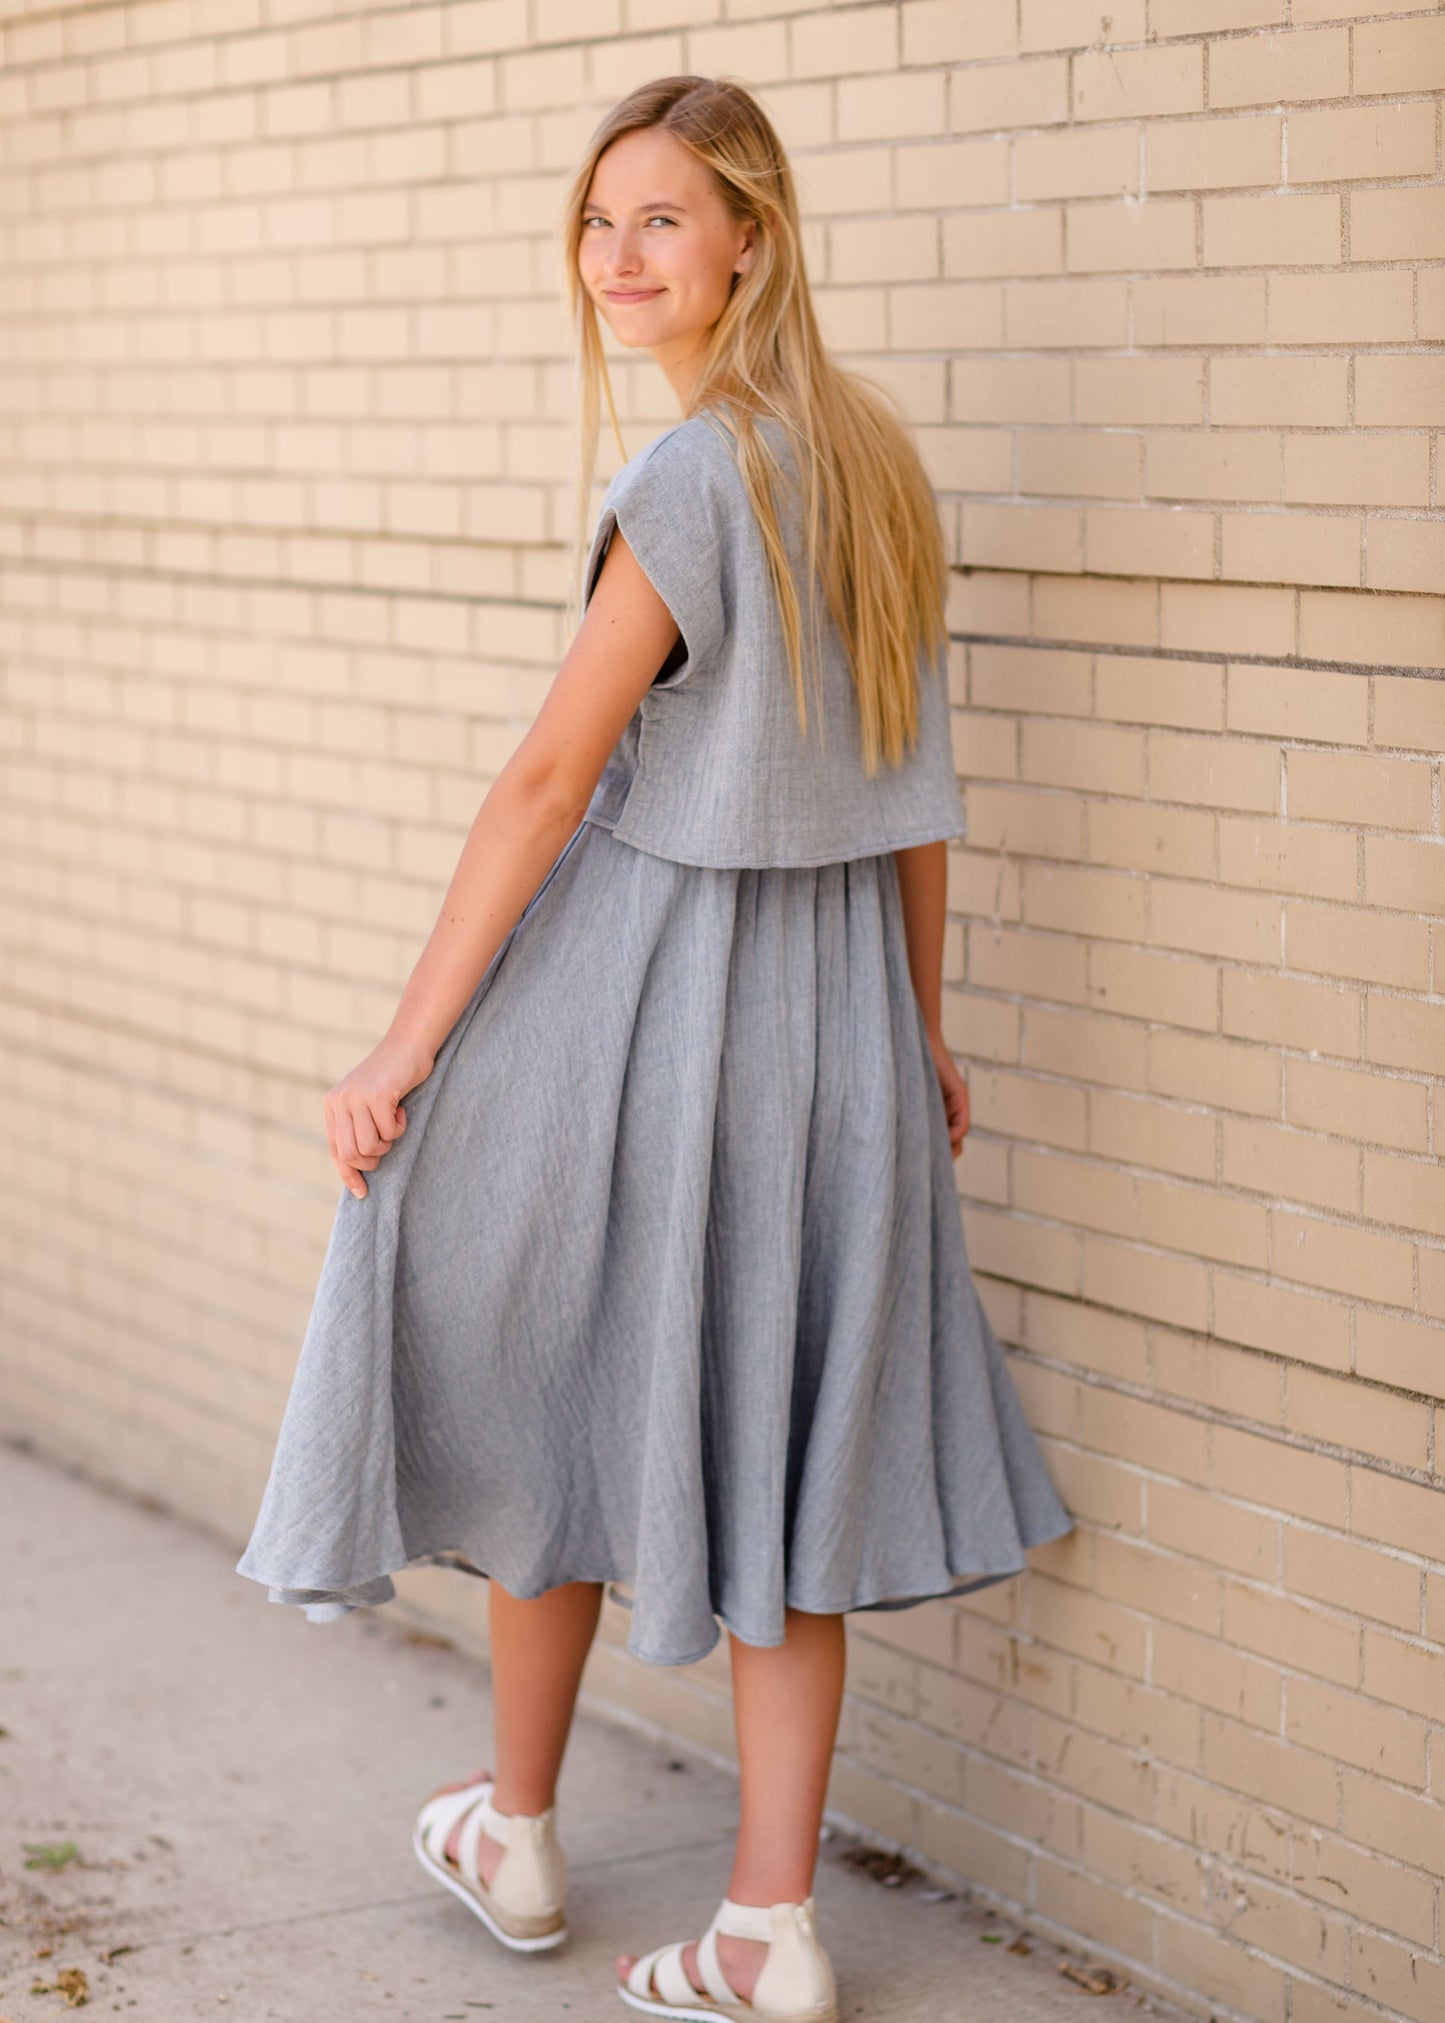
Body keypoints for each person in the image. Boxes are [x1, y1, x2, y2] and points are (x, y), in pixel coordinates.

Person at [236, 73, 1071, 2023]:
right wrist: (924, 1038)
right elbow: (917, 801)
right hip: (841, 1030)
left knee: (540, 1358)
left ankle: (518, 1823)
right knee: (788, 1455)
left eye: (664, 220)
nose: (621, 257)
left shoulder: (698, 479)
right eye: (599, 222)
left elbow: (543, 781)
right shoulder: (873, 464)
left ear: (749, 243)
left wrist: (399, 1044)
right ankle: (759, 1920)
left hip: (659, 1017)